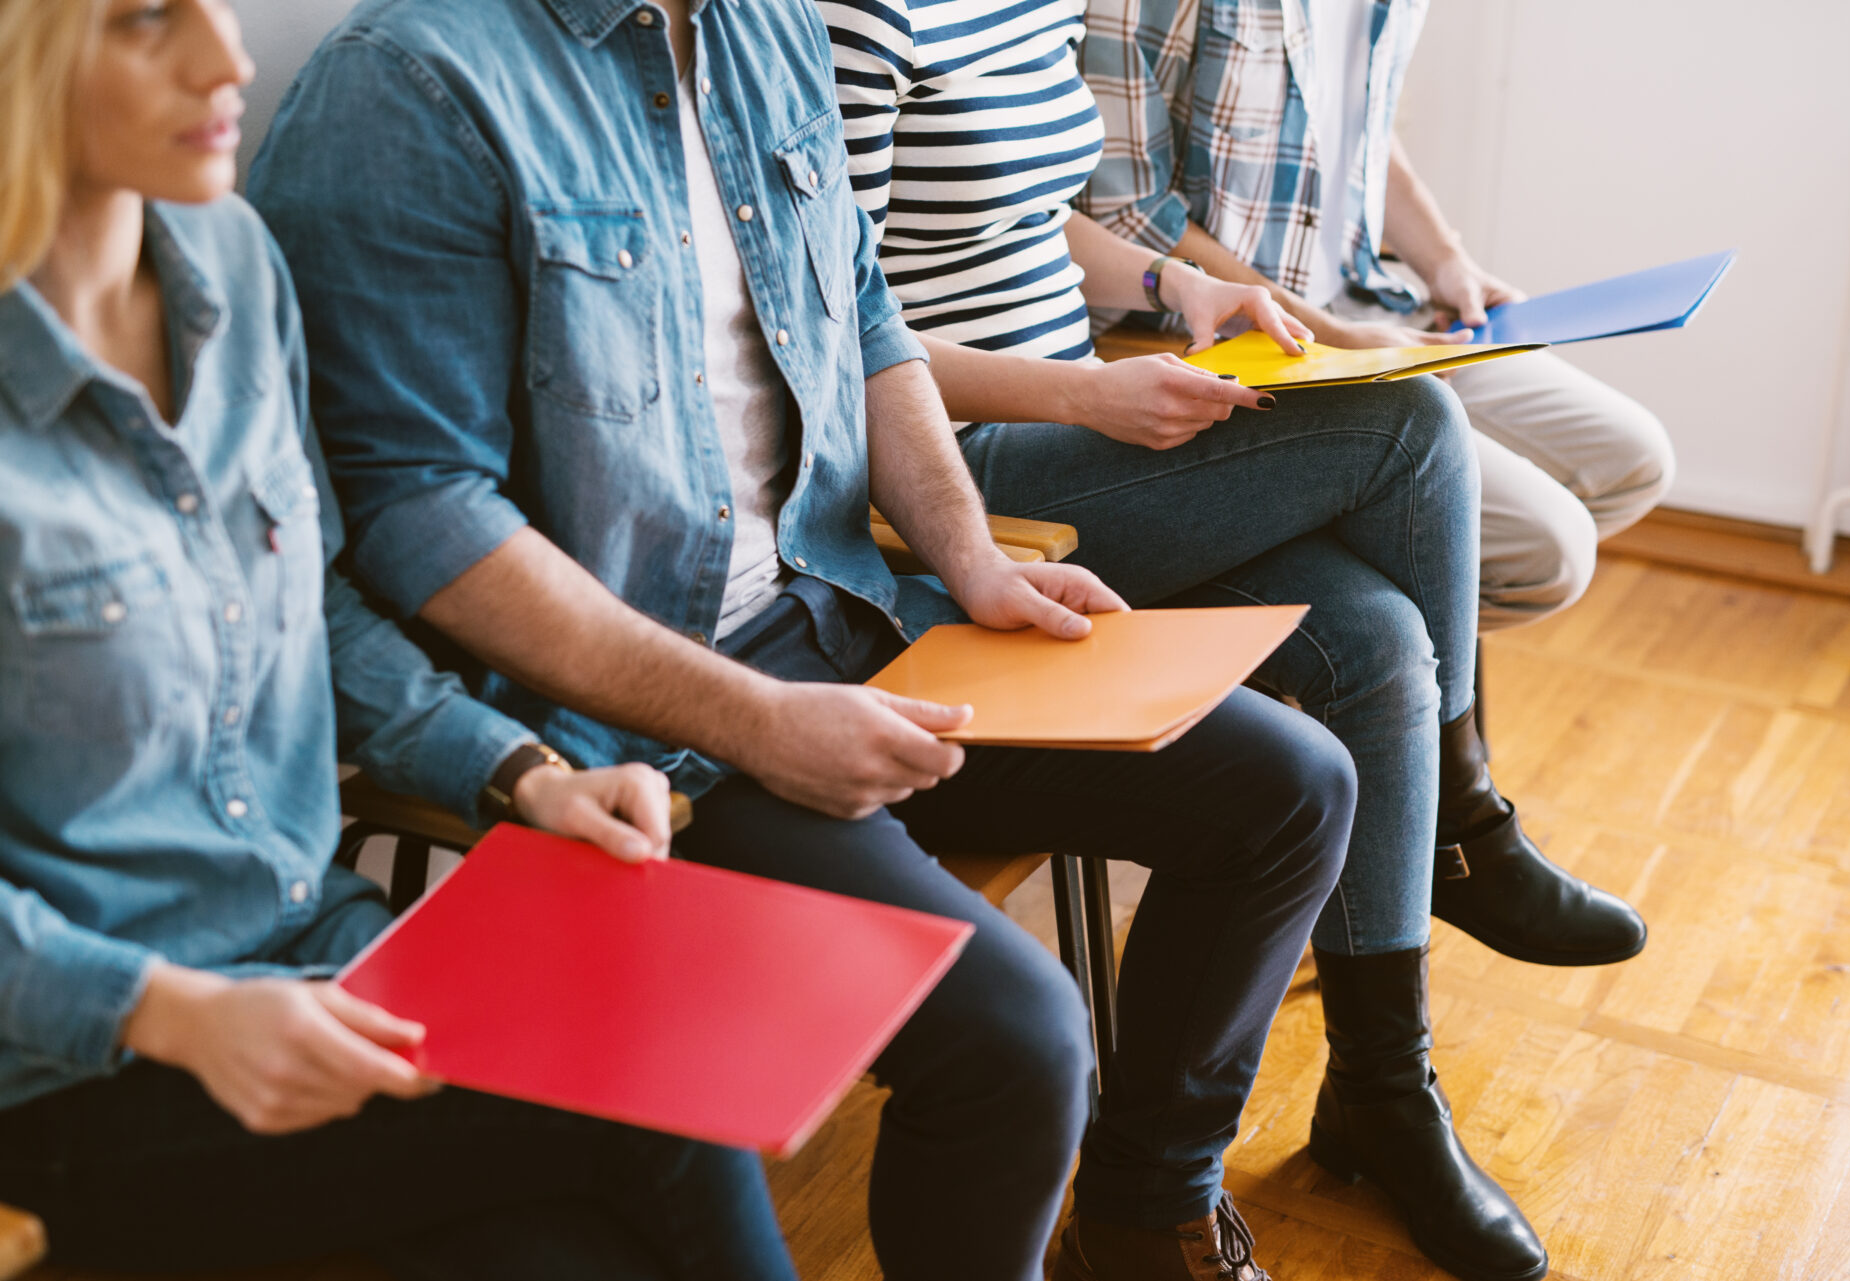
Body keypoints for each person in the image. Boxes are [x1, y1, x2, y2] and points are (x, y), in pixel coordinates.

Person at [247, 0, 1358, 1277]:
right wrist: (752, 721)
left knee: (1289, 788)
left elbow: (862, 316)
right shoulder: (407, 85)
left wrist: (970, 556)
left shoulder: (762, 25)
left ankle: (1145, 1214)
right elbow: (413, 515)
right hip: (639, 727)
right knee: (1019, 1041)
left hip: (842, 610)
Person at [818, 1, 1644, 1277]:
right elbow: (837, 333)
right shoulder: (852, 19)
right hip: (956, 467)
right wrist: (1088, 390)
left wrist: (1174, 283)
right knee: (1410, 425)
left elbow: (1040, 214)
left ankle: (1381, 1087)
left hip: (1075, 415)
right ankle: (1466, 833)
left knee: (1373, 637)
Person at [0, 1, 803, 1276]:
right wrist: (172, 1013)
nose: (229, 58)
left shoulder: (231, 264)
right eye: (144, 20)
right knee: (657, 1088)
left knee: (576, 1242)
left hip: (315, 951)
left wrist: (520, 772)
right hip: (71, 1074)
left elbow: (307, 611)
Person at [1078, 0, 1676, 633]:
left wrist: (1447, 262)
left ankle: (1370, 626)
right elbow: (1126, 213)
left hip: (1365, 305)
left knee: (1632, 461)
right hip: (1220, 344)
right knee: (1545, 552)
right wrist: (1334, 340)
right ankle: (1358, 658)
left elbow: (1362, 127)